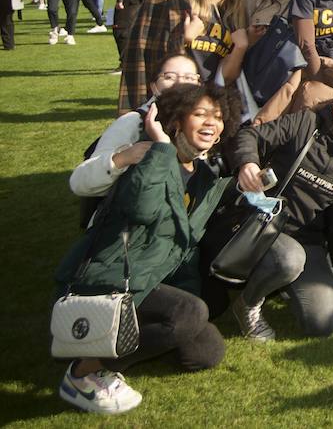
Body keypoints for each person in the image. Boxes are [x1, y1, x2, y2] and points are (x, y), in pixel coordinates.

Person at [53, 82, 238, 414]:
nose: (212, 123)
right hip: (106, 277)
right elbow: (142, 209)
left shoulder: (205, 178)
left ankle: (113, 343)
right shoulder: (146, 157)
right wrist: (161, 148)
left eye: (219, 116)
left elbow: (184, 248)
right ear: (176, 121)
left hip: (149, 280)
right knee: (188, 314)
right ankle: (83, 371)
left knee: (204, 352)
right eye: (200, 114)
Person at [214, 81, 333, 340]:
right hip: (260, 222)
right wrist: (247, 163)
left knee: (323, 323)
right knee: (289, 259)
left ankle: (280, 279)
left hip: (305, 238)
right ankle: (247, 305)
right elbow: (249, 135)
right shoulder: (307, 123)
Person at [117, 0, 249, 113]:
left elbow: (227, 77)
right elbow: (139, 57)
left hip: (207, 108)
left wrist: (241, 47)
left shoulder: (236, 15)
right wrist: (183, 38)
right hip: (170, 103)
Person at [71, 53, 203, 204]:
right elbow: (79, 182)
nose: (180, 83)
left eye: (189, 78)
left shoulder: (208, 123)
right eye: (170, 77)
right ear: (154, 86)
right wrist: (124, 158)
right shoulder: (133, 122)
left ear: (199, 85)